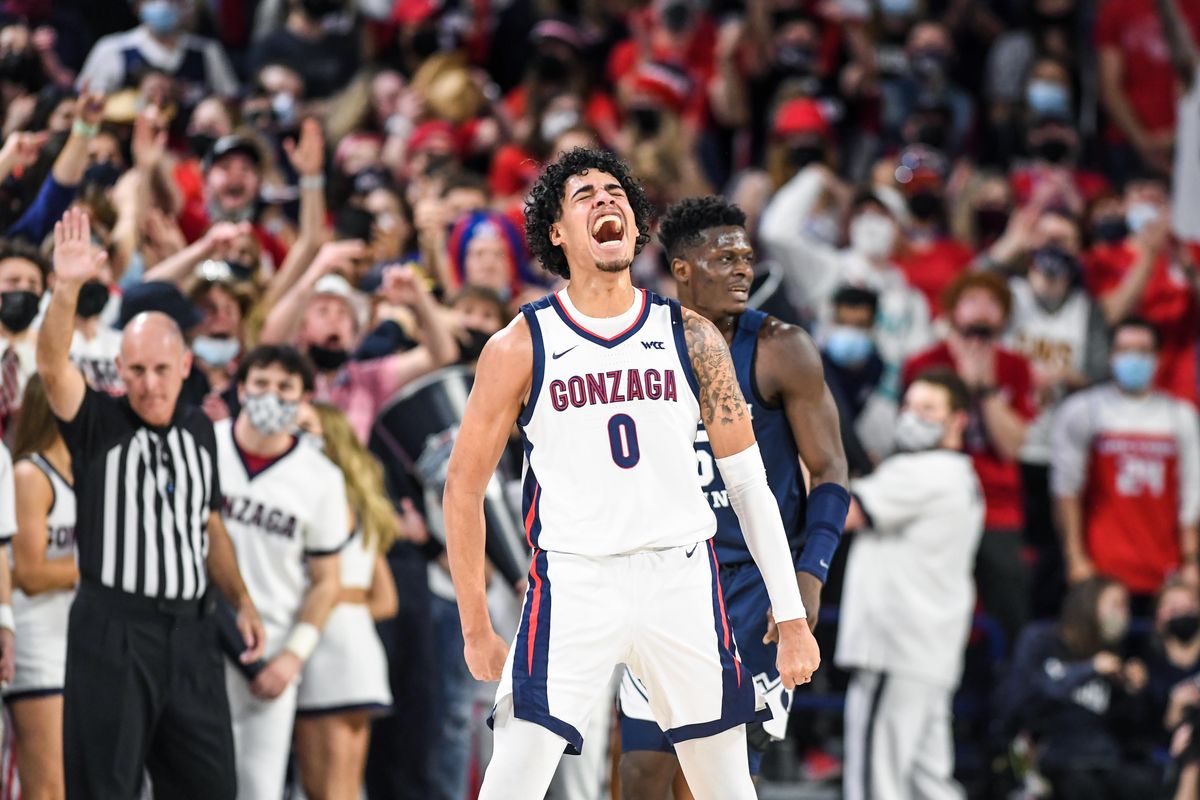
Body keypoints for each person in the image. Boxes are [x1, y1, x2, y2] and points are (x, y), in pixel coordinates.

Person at [443, 148, 820, 800]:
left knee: (726, 785)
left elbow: (749, 483)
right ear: (556, 232)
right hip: (574, 578)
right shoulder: (520, 344)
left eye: (615, 191)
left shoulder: (693, 336)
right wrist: (476, 624)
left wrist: (790, 617)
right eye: (584, 194)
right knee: (512, 780)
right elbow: (463, 487)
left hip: (680, 577)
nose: (606, 200)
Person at [618, 195, 850, 797]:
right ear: (683, 269)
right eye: (725, 259)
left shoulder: (780, 348)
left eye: (746, 256)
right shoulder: (637, 347)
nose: (744, 269)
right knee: (640, 772)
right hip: (665, 579)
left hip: (751, 586)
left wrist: (808, 577)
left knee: (715, 775)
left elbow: (828, 472)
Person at [36, 208, 265, 799]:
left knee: (211, 786)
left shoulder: (197, 429)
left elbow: (208, 524)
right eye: (136, 370)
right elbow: (52, 365)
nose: (150, 383)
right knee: (104, 786)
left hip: (192, 632)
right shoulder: (96, 423)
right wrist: (66, 288)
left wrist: (239, 599)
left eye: (163, 369)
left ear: (185, 366)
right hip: (113, 629)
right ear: (119, 370)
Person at [837, 368, 985, 800]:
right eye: (909, 406)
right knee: (929, 782)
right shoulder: (959, 473)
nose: (913, 416)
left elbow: (847, 513)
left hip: (894, 649)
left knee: (874, 784)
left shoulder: (926, 471)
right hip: (929, 653)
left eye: (928, 409)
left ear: (958, 419)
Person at [215, 345, 347, 800]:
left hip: (269, 656)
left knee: (258, 787)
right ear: (240, 388)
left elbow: (328, 580)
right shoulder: (203, 445)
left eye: (285, 387)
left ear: (306, 398)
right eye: (261, 384)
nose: (272, 395)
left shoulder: (322, 477)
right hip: (194, 642)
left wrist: (294, 655)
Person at [903, 271, 1036, 644]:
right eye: (972, 299)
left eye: (993, 302)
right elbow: (917, 440)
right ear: (953, 309)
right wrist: (960, 385)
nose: (983, 309)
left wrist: (988, 389)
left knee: (1010, 600)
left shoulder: (1015, 365)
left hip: (998, 505)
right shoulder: (925, 362)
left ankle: (1010, 688)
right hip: (936, 497)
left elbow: (1012, 446)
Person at [1052, 317, 1200, 607]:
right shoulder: (1084, 411)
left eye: (1142, 351)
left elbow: (1192, 493)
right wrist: (1075, 557)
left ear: (1157, 358)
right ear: (1111, 355)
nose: (1133, 358)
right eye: (1124, 349)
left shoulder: (1180, 416)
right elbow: (1066, 490)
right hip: (1101, 570)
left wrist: (1191, 560)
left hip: (1165, 571)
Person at [293, 401, 399, 800]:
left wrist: (326, 604)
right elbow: (386, 601)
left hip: (326, 654)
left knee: (324, 792)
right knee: (348, 790)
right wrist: (350, 607)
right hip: (363, 653)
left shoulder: (324, 502)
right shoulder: (362, 507)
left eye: (305, 426)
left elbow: (324, 583)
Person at [999, 577, 1158, 799]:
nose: (1124, 614)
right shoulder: (1041, 639)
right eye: (1116, 604)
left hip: (1101, 757)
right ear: (1089, 604)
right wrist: (1089, 668)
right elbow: (1025, 699)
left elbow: (1128, 729)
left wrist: (1133, 691)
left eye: (1126, 606)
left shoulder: (1113, 655)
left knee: (1140, 783)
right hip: (1049, 753)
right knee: (1081, 787)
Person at [6, 375, 78, 800]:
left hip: (73, 640)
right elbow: (29, 574)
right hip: (36, 645)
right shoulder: (29, 474)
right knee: (47, 787)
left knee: (70, 783)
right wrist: (100, 571)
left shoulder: (84, 468)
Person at [76, 0, 238, 102]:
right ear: (137, 5)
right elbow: (87, 104)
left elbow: (231, 102)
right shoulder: (112, 49)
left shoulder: (207, 51)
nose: (163, 4)